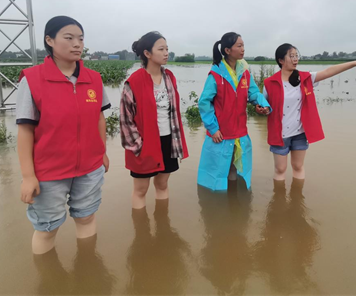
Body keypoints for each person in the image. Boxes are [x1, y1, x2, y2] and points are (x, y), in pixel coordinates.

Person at [17, 15, 111, 254]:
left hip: (90, 167)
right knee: (47, 228)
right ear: (49, 40)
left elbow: (99, 118)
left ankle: (87, 269)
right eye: (68, 38)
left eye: (80, 38)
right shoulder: (32, 79)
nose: (77, 44)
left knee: (87, 218)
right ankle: (48, 281)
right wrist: (28, 176)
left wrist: (103, 152)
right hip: (49, 172)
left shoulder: (94, 79)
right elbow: (25, 130)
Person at [263, 43, 356, 180]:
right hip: (280, 134)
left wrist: (354, 63)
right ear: (281, 60)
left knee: (298, 167)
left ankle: (297, 197)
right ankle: (279, 200)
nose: (295, 59)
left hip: (300, 133)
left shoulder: (305, 78)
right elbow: (264, 107)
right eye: (291, 56)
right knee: (280, 169)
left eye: (296, 56)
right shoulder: (269, 83)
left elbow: (329, 71)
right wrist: (262, 110)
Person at [120, 31, 188, 209]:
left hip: (167, 140)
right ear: (147, 53)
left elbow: (173, 113)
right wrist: (138, 146)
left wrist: (176, 141)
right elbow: (126, 120)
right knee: (141, 190)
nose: (166, 53)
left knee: (162, 185)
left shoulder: (169, 77)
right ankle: (142, 232)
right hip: (144, 143)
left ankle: (162, 224)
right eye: (161, 49)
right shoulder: (133, 82)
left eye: (167, 49)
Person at [197, 32, 270, 191]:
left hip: (240, 131)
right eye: (239, 46)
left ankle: (232, 198)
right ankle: (222, 206)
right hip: (221, 133)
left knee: (234, 170)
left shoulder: (244, 72)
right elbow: (204, 102)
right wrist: (213, 128)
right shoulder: (216, 75)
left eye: (243, 45)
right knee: (218, 172)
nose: (243, 49)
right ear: (228, 50)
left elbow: (254, 93)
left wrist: (262, 104)